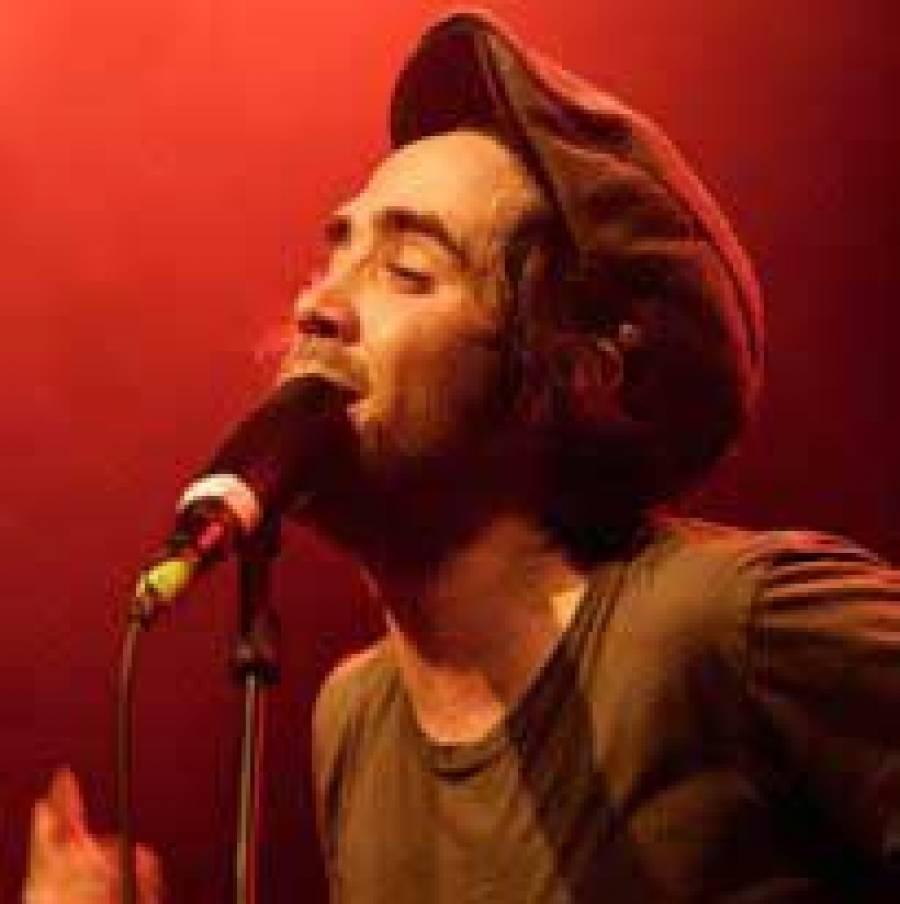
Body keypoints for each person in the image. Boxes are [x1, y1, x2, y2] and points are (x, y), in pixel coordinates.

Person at [24, 11, 899, 903]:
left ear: (571, 374)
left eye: (407, 270)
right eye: (334, 256)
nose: (320, 307)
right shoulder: (355, 719)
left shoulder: (730, 629)